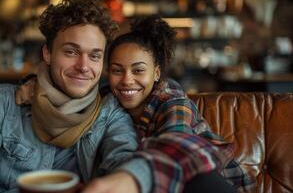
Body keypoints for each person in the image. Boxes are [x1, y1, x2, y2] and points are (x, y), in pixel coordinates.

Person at [17, 16, 255, 193]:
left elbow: (177, 139)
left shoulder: (171, 100)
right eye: (117, 71)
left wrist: (132, 178)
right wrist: (36, 84)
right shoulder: (107, 97)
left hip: (208, 181)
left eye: (138, 70)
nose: (127, 80)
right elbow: (68, 91)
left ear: (156, 73)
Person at [0, 0, 138, 193]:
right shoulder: (0, 102)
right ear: (48, 54)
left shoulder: (110, 114)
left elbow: (125, 165)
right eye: (71, 52)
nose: (84, 66)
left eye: (94, 56)